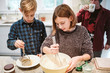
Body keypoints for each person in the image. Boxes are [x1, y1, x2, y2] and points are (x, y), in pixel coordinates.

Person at [41, 4, 93, 73]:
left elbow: (89, 54)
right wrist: (50, 51)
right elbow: (43, 47)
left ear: (71, 18)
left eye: (62, 23)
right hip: (60, 69)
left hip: (75, 69)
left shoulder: (82, 31)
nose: (60, 26)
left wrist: (78, 58)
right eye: (57, 24)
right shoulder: (57, 31)